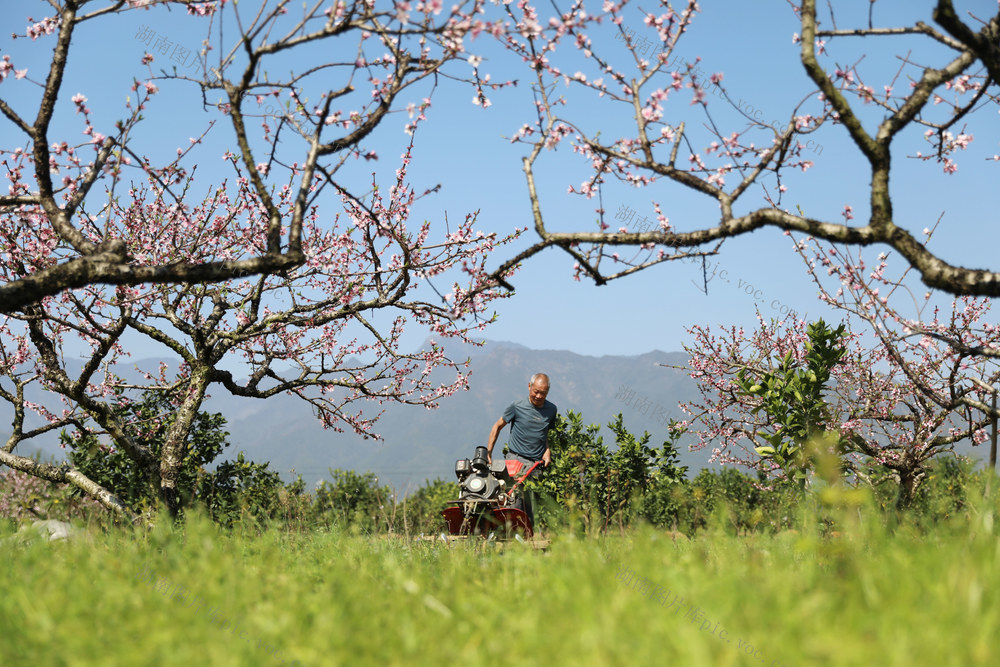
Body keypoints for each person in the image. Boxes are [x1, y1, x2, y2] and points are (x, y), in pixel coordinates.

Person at [486, 373, 557, 528]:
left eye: (542, 393)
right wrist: (489, 452)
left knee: (529, 507)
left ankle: (525, 543)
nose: (538, 396)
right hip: (515, 461)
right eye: (535, 391)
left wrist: (547, 451)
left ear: (547, 392)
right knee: (513, 502)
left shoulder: (551, 410)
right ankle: (506, 539)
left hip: (536, 466)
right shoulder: (517, 406)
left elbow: (543, 433)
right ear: (529, 386)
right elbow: (497, 426)